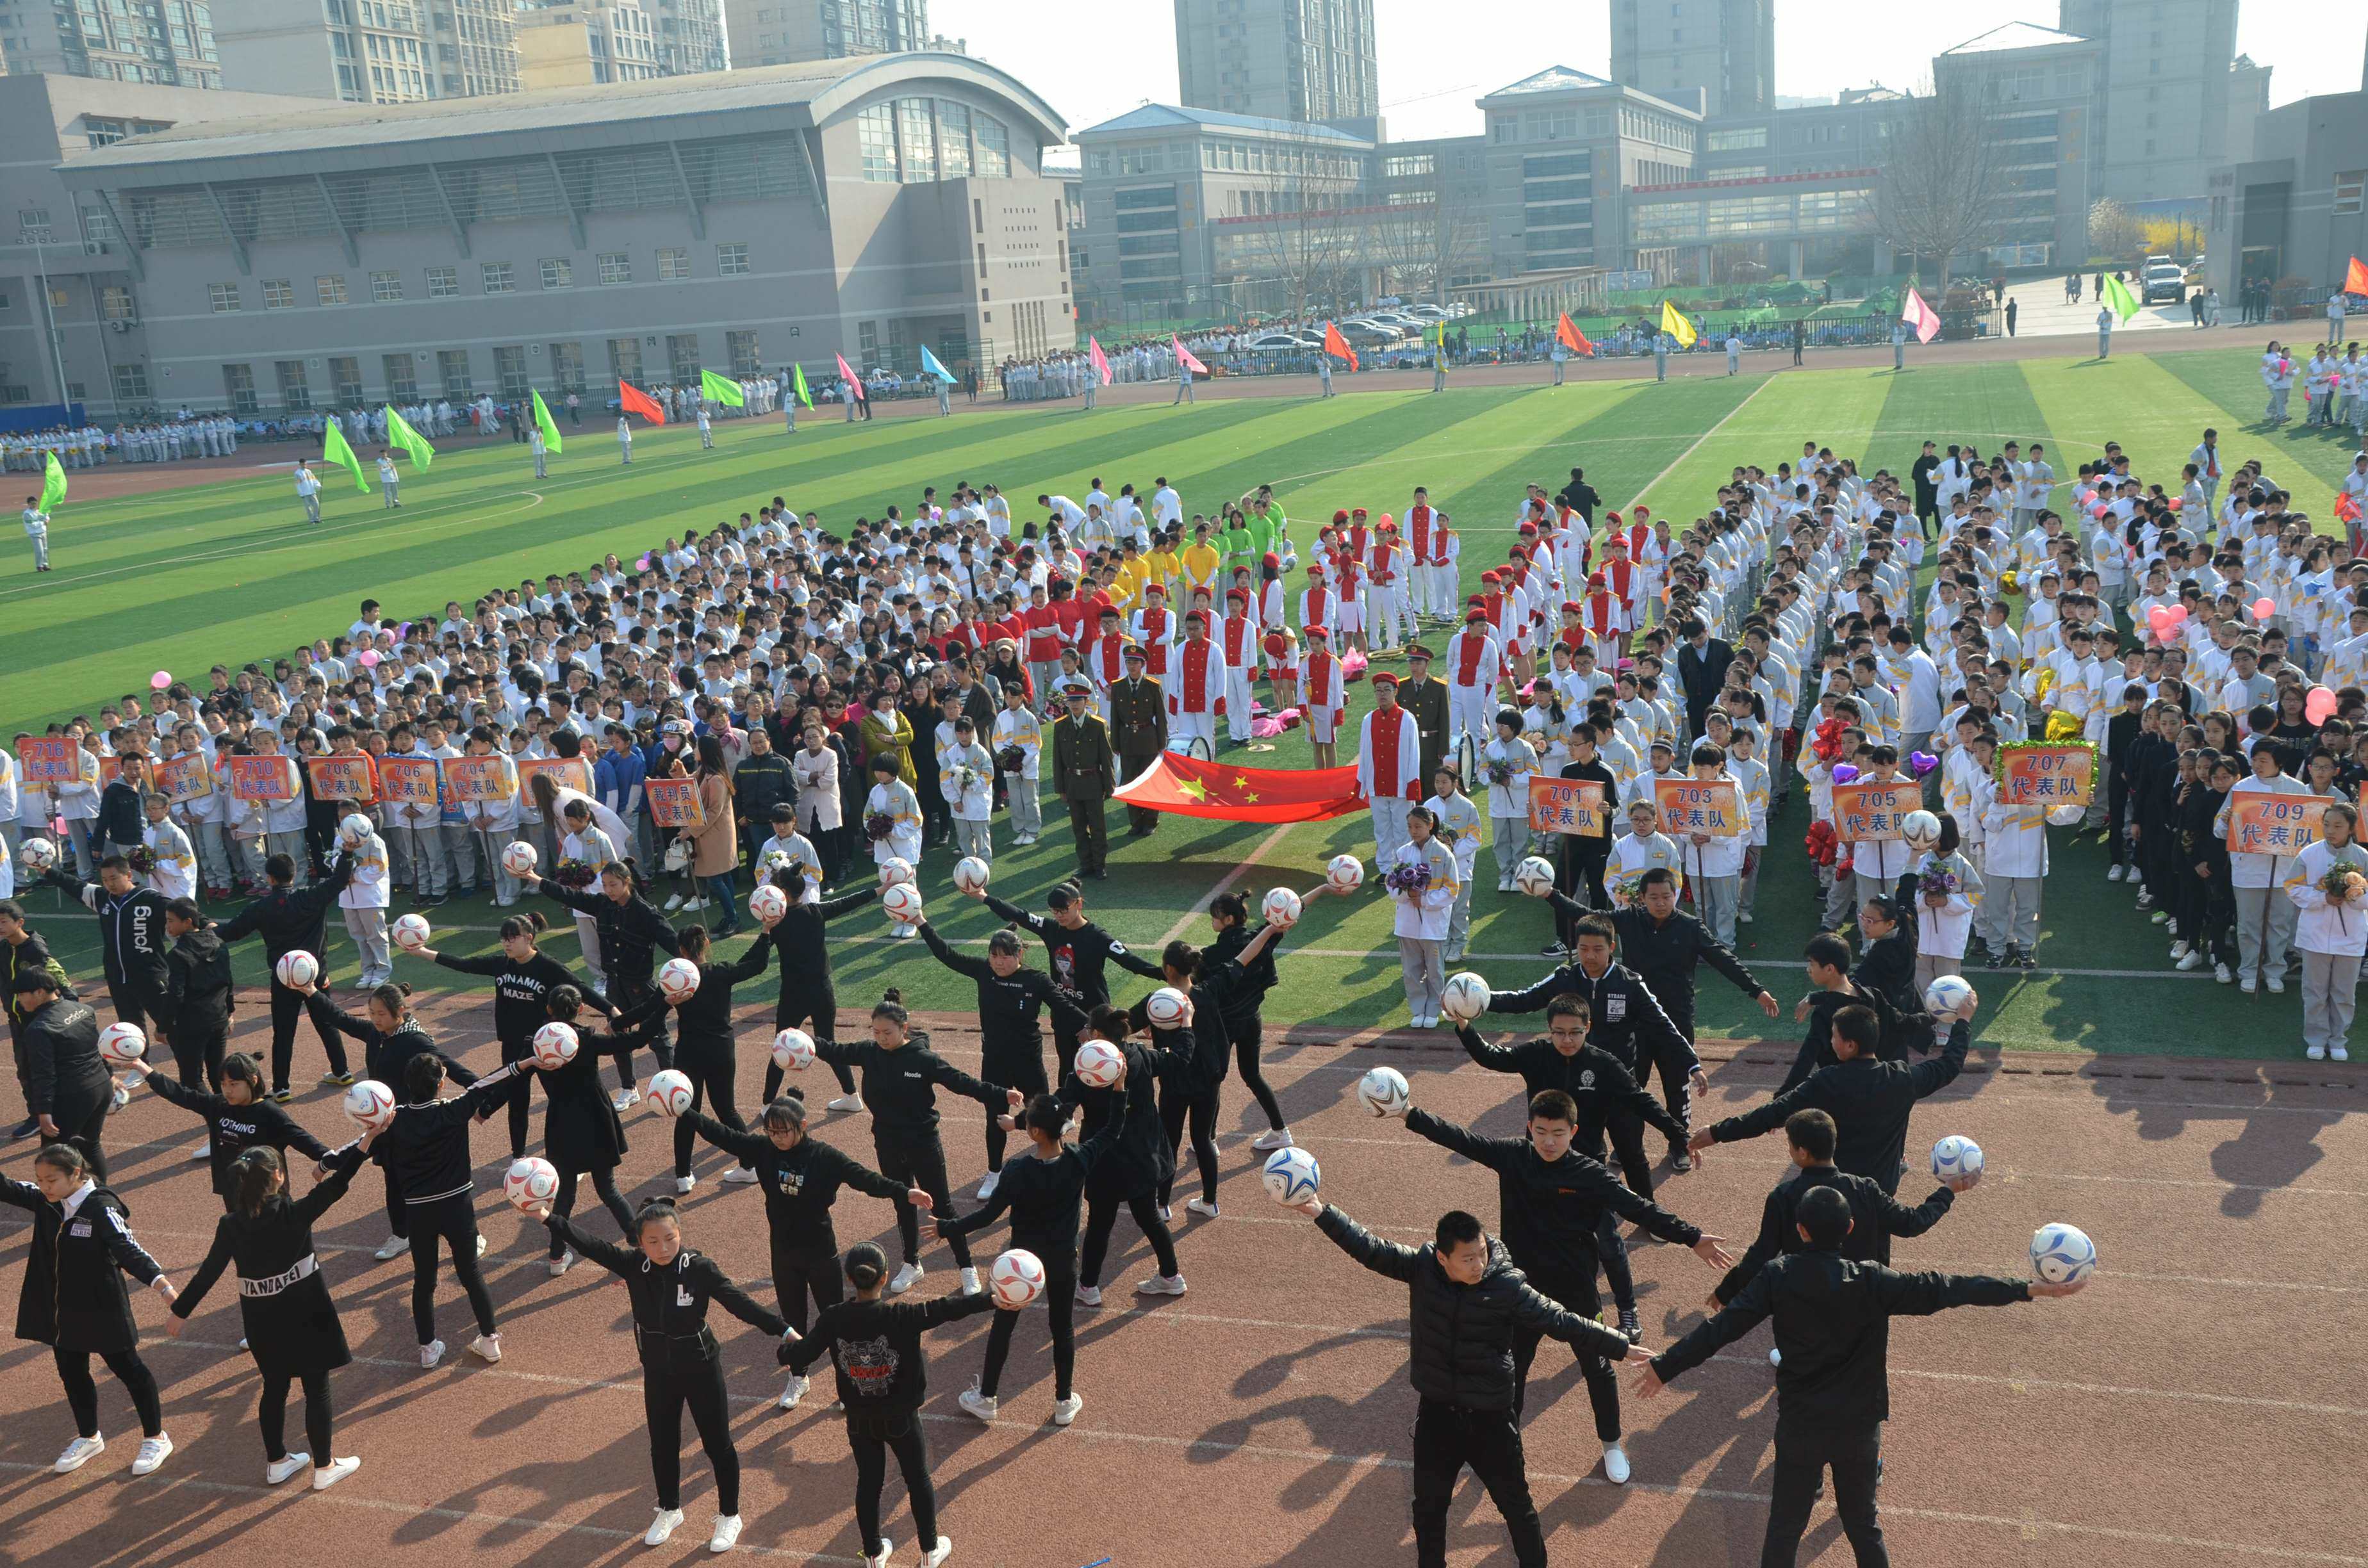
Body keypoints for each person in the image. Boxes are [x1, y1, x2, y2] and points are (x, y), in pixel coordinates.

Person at [1636, 1183, 2082, 1566]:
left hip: (1801, 1426)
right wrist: (2027, 1289)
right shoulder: (1873, 1281)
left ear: (1801, 1231)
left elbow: (1720, 1330)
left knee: (1785, 1528)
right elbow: (1951, 1288)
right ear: (1850, 1230)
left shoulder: (1778, 1276)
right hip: (1858, 1429)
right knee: (1863, 1527)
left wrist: (1664, 1367)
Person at [1382, 1084, 1729, 1484]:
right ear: (1530, 1128)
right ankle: (1504, 1445)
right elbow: (1460, 1137)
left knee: (1598, 1368)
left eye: (1558, 1133)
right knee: (1514, 1371)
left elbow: (1641, 1208)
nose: (1549, 1141)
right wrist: (1409, 1114)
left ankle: (1612, 1444)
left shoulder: (1590, 1174)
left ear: (1574, 1132)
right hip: (1519, 1290)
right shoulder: (1512, 1156)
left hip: (1576, 1288)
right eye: (1542, 1131)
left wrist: (1692, 1237)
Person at [1302, 1200, 1647, 1568]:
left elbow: (1560, 1320)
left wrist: (1618, 1344)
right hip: (1437, 1416)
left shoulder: (1507, 1287)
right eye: (1468, 1259)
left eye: (1482, 1253)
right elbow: (1369, 1247)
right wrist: (1321, 1211)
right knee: (1428, 1512)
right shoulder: (1420, 1267)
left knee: (1517, 1508)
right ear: (1442, 1258)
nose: (1479, 1264)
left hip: (1491, 1419)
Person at [540, 1195, 792, 1552]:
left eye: (670, 1238)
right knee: (662, 1446)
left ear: (680, 1233)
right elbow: (589, 1244)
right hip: (659, 1372)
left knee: (717, 1445)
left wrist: (782, 1329)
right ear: (640, 1243)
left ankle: (729, 1515)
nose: (663, 1248)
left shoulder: (699, 1268)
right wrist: (549, 1218)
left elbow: (740, 1303)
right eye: (653, 1241)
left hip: (701, 1368)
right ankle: (670, 1509)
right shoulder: (633, 1266)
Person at [683, 1090, 922, 1407]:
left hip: (821, 1252)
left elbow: (864, 1178)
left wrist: (904, 1192)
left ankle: (846, 1383)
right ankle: (798, 1377)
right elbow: (723, 1135)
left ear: (803, 1126)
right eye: (771, 1132)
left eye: (783, 1132)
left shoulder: (824, 1157)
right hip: (783, 1252)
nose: (777, 1138)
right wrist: (685, 1111)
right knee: (793, 1318)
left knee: (835, 1318)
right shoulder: (763, 1149)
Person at [165, 1139, 374, 1490]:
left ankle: (277, 1461)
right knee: (317, 1389)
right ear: (278, 1176)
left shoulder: (231, 1224)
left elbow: (209, 1271)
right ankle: (324, 1466)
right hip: (308, 1316)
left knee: (274, 1388)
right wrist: (367, 1141)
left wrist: (180, 1312)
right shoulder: (294, 1213)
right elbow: (340, 1181)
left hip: (263, 1322)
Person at [780, 1241, 1001, 1568]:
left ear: (850, 1280)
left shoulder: (833, 1319)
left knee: (869, 1484)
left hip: (858, 1421)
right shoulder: (903, 1315)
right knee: (917, 1479)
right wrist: (992, 1300)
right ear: (884, 1279)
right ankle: (928, 1551)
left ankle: (873, 1554)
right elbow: (949, 1309)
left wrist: (784, 1349)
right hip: (902, 1418)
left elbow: (800, 1355)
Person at [933, 1088, 1125, 1426]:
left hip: (1021, 1264)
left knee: (1003, 1324)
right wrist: (1120, 1087)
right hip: (1063, 1258)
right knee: (1062, 1328)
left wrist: (947, 1228)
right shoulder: (1080, 1158)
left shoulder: (1017, 1168)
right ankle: (1064, 1401)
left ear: (1035, 1132)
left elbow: (987, 1216)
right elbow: (1113, 1128)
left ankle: (987, 1397)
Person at [809, 992, 1021, 1295]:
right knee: (903, 1202)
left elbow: (962, 1083)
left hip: (923, 1143)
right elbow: (835, 1050)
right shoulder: (869, 1053)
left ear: (904, 1029)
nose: (881, 1038)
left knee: (943, 1206)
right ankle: (912, 1262)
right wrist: (805, 1042)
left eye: (888, 1033)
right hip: (887, 1142)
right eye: (876, 1032)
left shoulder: (923, 1059)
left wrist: (1001, 1094)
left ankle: (966, 1266)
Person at [1484, 912, 1700, 1190]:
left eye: (1598, 949)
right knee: (1583, 1154)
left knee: (1632, 1153)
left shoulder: (1630, 984)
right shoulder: (1565, 977)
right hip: (1579, 1085)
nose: (1589, 956)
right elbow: (1525, 999)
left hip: (1619, 1083)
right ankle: (1580, 1214)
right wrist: (1482, 1000)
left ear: (1612, 947)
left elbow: (1663, 1025)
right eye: (1583, 949)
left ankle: (1647, 1212)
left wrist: (1692, 1063)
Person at [4, 1139, 177, 1476]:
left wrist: (164, 1287)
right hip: (61, 1310)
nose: (44, 1187)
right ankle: (89, 1437)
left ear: (77, 1174)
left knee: (130, 1371)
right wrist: (41, 1189)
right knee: (72, 1373)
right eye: (39, 1180)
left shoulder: (100, 1207)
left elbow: (129, 1250)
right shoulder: (46, 1200)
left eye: (51, 1180)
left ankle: (156, 1437)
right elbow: (7, 1188)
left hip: (102, 1308)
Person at [1695, 1003, 1972, 1193]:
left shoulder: (1826, 1081)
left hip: (1836, 1193)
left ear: (1850, 1045)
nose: (1831, 1042)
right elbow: (1950, 1065)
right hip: (1881, 1194)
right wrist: (1962, 1022)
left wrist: (1717, 1132)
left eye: (1834, 1036)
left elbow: (1773, 1114)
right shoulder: (1903, 1079)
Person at [914, 919, 1083, 1193]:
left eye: (1005, 957)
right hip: (994, 1061)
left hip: (1028, 1061)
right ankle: (994, 1173)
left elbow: (1064, 1007)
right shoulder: (984, 972)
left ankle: (1055, 1164)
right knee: (994, 1119)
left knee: (1044, 1116)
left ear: (1020, 955)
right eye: (994, 956)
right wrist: (921, 923)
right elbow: (946, 954)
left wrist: (1090, 1026)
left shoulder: (1036, 980)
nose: (998, 962)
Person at [412, 912, 600, 1160]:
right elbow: (464, 965)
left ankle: (577, 1153)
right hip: (513, 1045)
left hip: (546, 1046)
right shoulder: (501, 964)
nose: (507, 943)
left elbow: (582, 988)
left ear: (529, 938)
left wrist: (612, 1010)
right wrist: (423, 952)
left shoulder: (547, 967)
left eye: (513, 938)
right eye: (504, 939)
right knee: (517, 1101)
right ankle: (519, 1156)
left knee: (562, 1101)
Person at [522, 859, 680, 1110]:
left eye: (613, 885)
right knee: (618, 1034)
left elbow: (673, 942)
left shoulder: (647, 913)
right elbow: (571, 896)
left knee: (659, 1038)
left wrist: (691, 966)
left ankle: (671, 1085)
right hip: (615, 984)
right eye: (605, 885)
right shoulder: (603, 905)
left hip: (641, 986)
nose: (609, 890)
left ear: (626, 882)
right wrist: (535, 879)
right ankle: (629, 1088)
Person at [978, 879, 1162, 1081]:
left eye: (1063, 910)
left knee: (1103, 1069)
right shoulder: (1051, 929)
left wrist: (1165, 974)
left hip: (1096, 1017)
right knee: (1067, 1070)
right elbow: (1019, 915)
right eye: (1054, 911)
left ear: (1079, 904)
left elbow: (1132, 962)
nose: (1059, 916)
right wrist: (984, 897)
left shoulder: (1097, 937)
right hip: (1064, 1016)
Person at [214, 851, 354, 1098]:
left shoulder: (260, 907)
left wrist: (204, 926)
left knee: (283, 1033)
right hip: (316, 975)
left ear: (270, 879)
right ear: (295, 874)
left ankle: (281, 1088)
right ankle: (342, 1072)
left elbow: (230, 932)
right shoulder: (311, 897)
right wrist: (348, 853)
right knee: (327, 1023)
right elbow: (340, 879)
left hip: (283, 979)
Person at [646, 922, 771, 1192]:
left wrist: (617, 1021)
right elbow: (755, 964)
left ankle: (682, 1177)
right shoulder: (721, 971)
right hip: (721, 1051)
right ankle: (749, 1166)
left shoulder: (674, 981)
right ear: (706, 945)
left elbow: (647, 1009)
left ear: (680, 950)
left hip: (689, 1053)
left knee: (687, 1112)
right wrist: (765, 933)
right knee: (727, 1110)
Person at [143, 1050, 330, 1207]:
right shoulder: (218, 1105)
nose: (227, 1090)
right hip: (232, 1192)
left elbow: (304, 1140)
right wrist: (141, 1067)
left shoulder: (270, 1113)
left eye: (234, 1084)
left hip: (268, 1195)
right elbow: (179, 1094)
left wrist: (327, 1161)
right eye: (224, 1084)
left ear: (253, 1080)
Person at [2285, 799, 2368, 1061]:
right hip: (2315, 936)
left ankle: (2338, 1039)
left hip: (2350, 937)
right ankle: (2317, 1039)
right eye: (2327, 824)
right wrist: (2323, 899)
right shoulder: (2309, 854)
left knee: (2344, 992)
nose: (2331, 830)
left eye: (2338, 826)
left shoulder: (2363, 858)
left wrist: (2354, 898)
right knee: (2315, 991)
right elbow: (2291, 888)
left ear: (2352, 828)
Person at [17, 967, 113, 1179]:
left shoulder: (39, 1029)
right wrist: (111, 1076)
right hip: (101, 1086)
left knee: (55, 1156)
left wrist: (43, 1112)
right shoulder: (82, 1009)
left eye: (21, 994)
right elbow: (99, 1047)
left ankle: (55, 1206)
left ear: (40, 992)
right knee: (91, 1145)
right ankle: (101, 1196)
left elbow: (44, 1074)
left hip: (72, 1096)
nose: (18, 1000)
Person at [22, 491, 51, 572]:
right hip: (35, 534)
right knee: (40, 551)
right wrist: (43, 522)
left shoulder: (39, 510)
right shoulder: (27, 514)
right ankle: (39, 566)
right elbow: (33, 525)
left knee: (45, 549)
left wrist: (47, 520)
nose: (34, 505)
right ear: (28, 504)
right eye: (32, 504)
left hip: (43, 532)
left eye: (35, 503)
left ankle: (45, 565)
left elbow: (46, 516)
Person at [295, 459, 322, 525]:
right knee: (308, 508)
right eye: (303, 464)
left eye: (305, 464)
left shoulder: (309, 471)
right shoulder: (298, 473)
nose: (304, 465)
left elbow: (314, 479)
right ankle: (312, 520)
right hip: (305, 493)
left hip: (312, 491)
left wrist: (318, 485)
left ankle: (316, 518)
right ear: (300, 464)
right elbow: (298, 484)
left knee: (316, 505)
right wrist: (301, 493)